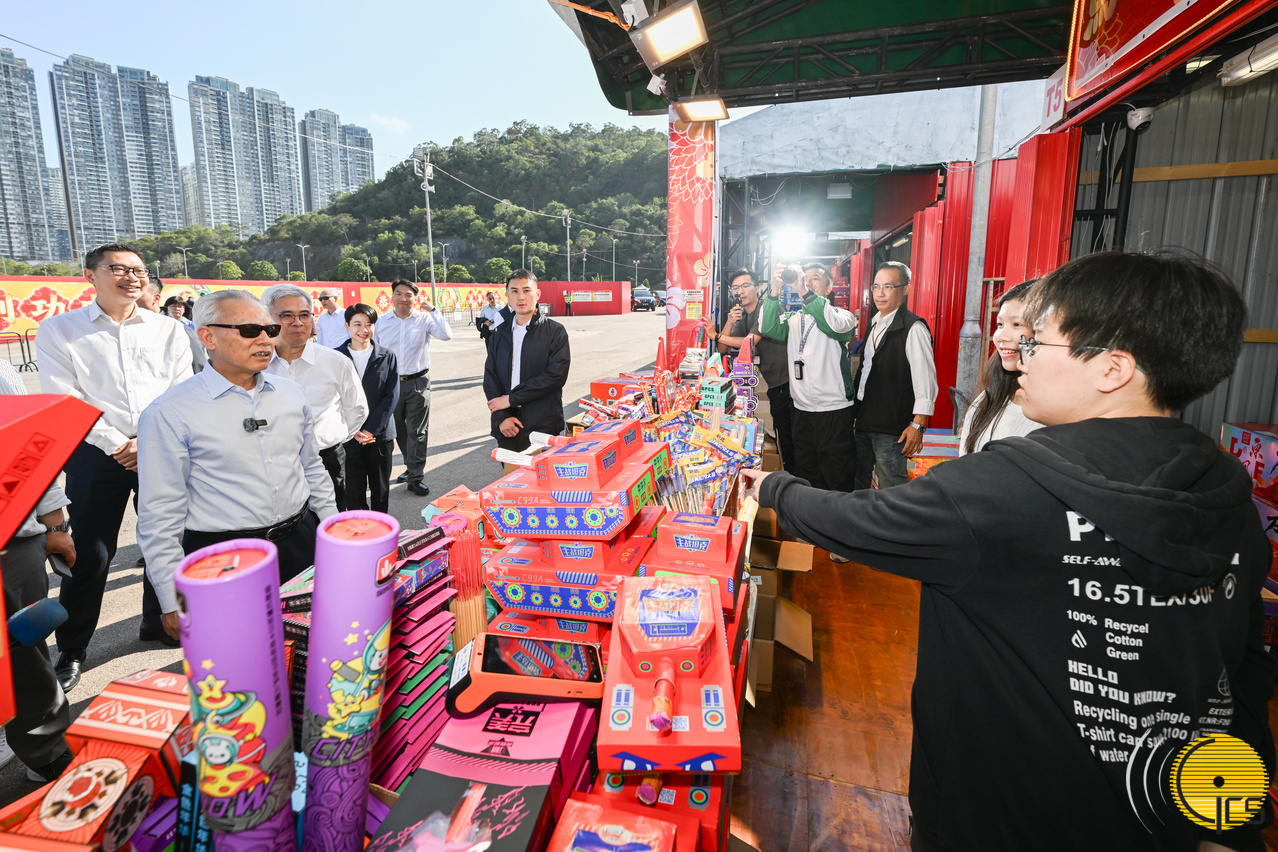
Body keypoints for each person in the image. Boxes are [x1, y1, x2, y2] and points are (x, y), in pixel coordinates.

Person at [742, 250, 1275, 852]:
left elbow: (858, 521)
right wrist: (1230, 823)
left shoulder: (1009, 487)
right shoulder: (1227, 498)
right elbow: (1240, 675)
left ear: (1112, 368)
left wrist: (773, 487)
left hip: (994, 816)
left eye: (1037, 341)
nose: (1018, 352)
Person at [138, 290, 339, 640]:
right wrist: (171, 599)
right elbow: (160, 514)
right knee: (237, 658)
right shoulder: (170, 412)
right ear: (207, 337)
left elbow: (312, 469)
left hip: (300, 544)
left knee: (313, 648)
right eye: (249, 330)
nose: (265, 340)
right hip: (223, 560)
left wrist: (333, 534)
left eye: (269, 330)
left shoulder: (290, 394)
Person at [36, 243, 193, 690]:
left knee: (165, 538)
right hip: (93, 451)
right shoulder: (59, 330)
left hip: (160, 446)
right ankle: (72, 648)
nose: (132, 277)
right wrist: (118, 444)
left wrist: (147, 442)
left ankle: (157, 622)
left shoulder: (167, 329)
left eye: (138, 270)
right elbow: (65, 398)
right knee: (91, 551)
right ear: (90, 275)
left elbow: (181, 388)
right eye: (118, 269)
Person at [0, 360, 75, 783]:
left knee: (21, 651)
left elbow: (31, 451)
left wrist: (56, 527)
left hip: (10, 542)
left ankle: (44, 750)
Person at [262, 284, 367, 511]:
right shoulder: (257, 364)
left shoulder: (336, 362)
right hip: (272, 461)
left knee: (331, 519)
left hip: (327, 458)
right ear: (267, 319)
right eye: (287, 316)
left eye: (304, 315)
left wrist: (330, 436)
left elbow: (357, 409)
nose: (298, 322)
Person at [759, 263, 858, 494]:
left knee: (838, 475)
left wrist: (803, 289)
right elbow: (767, 326)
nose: (808, 282)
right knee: (806, 474)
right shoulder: (795, 320)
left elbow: (831, 326)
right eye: (805, 277)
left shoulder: (843, 316)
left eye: (815, 278)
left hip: (834, 410)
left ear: (829, 289)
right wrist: (775, 289)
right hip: (801, 411)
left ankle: (838, 516)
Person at [851, 261, 938, 490]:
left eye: (888, 287)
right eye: (876, 287)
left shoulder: (913, 328)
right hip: (865, 420)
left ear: (905, 289)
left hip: (891, 427)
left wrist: (918, 425)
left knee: (892, 487)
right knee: (858, 482)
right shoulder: (874, 323)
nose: (880, 294)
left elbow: (925, 379)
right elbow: (867, 371)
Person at [711, 268, 795, 474]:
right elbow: (723, 349)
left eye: (746, 286)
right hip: (775, 382)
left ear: (757, 288)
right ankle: (789, 473)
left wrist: (716, 335)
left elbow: (751, 341)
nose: (740, 291)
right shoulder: (746, 316)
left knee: (790, 435)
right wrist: (729, 322)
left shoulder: (767, 309)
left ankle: (794, 478)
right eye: (736, 288)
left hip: (788, 382)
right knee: (782, 432)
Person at [376, 279, 452, 496]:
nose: (403, 298)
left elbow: (446, 335)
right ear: (392, 297)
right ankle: (411, 467)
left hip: (418, 382)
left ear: (415, 298)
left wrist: (433, 310)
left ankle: (416, 477)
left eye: (408, 294)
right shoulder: (381, 322)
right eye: (398, 293)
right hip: (391, 385)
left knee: (417, 431)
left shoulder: (424, 319)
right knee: (399, 430)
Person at [484, 270, 570, 452]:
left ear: (537, 294)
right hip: (508, 426)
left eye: (526, 290)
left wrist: (512, 399)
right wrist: (501, 417)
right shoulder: (499, 334)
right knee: (512, 471)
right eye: (514, 291)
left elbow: (555, 377)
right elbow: (490, 378)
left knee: (543, 470)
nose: (520, 297)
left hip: (543, 424)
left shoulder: (555, 332)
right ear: (507, 295)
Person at [958, 281, 1042, 455]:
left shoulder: (1057, 416)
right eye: (1000, 324)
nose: (1001, 336)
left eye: (1017, 324)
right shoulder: (987, 400)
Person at [337, 304, 399, 513]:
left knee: (380, 489)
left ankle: (381, 528)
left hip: (379, 436)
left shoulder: (387, 356)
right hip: (349, 437)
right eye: (357, 324)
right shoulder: (335, 357)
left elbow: (391, 395)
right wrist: (353, 429)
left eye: (369, 324)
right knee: (353, 492)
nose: (363, 330)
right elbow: (332, 398)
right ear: (347, 326)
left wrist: (371, 430)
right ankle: (360, 530)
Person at [140, 279, 206, 374]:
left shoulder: (180, 329)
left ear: (156, 298)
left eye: (139, 293)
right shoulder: (127, 328)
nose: (132, 297)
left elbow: (197, 367)